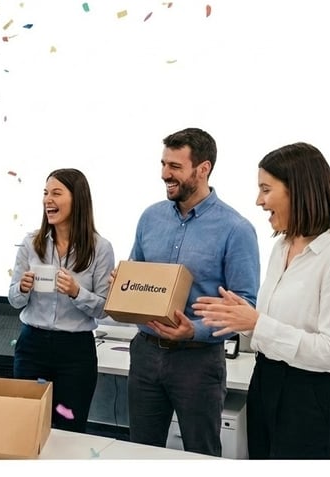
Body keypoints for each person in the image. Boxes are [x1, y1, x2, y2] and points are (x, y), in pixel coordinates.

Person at [193, 142, 330, 459]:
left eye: (266, 189)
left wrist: (258, 324)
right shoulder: (281, 247)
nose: (259, 201)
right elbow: (271, 327)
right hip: (265, 383)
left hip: (309, 399)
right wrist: (241, 319)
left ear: (299, 190)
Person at [123, 127, 260, 457]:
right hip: (145, 354)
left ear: (203, 169)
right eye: (163, 164)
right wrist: (123, 286)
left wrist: (193, 330)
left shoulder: (236, 229)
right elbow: (135, 275)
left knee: (201, 454)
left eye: (175, 166)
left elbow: (245, 306)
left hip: (197, 361)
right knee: (141, 453)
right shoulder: (150, 217)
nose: (164, 174)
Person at [8, 168, 115, 433]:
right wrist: (22, 288)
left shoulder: (100, 248)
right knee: (26, 427)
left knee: (70, 430)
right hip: (32, 346)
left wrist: (77, 292)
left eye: (56, 193)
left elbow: (104, 308)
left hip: (75, 352)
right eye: (45, 193)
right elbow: (14, 300)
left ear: (77, 199)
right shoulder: (31, 243)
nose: (48, 200)